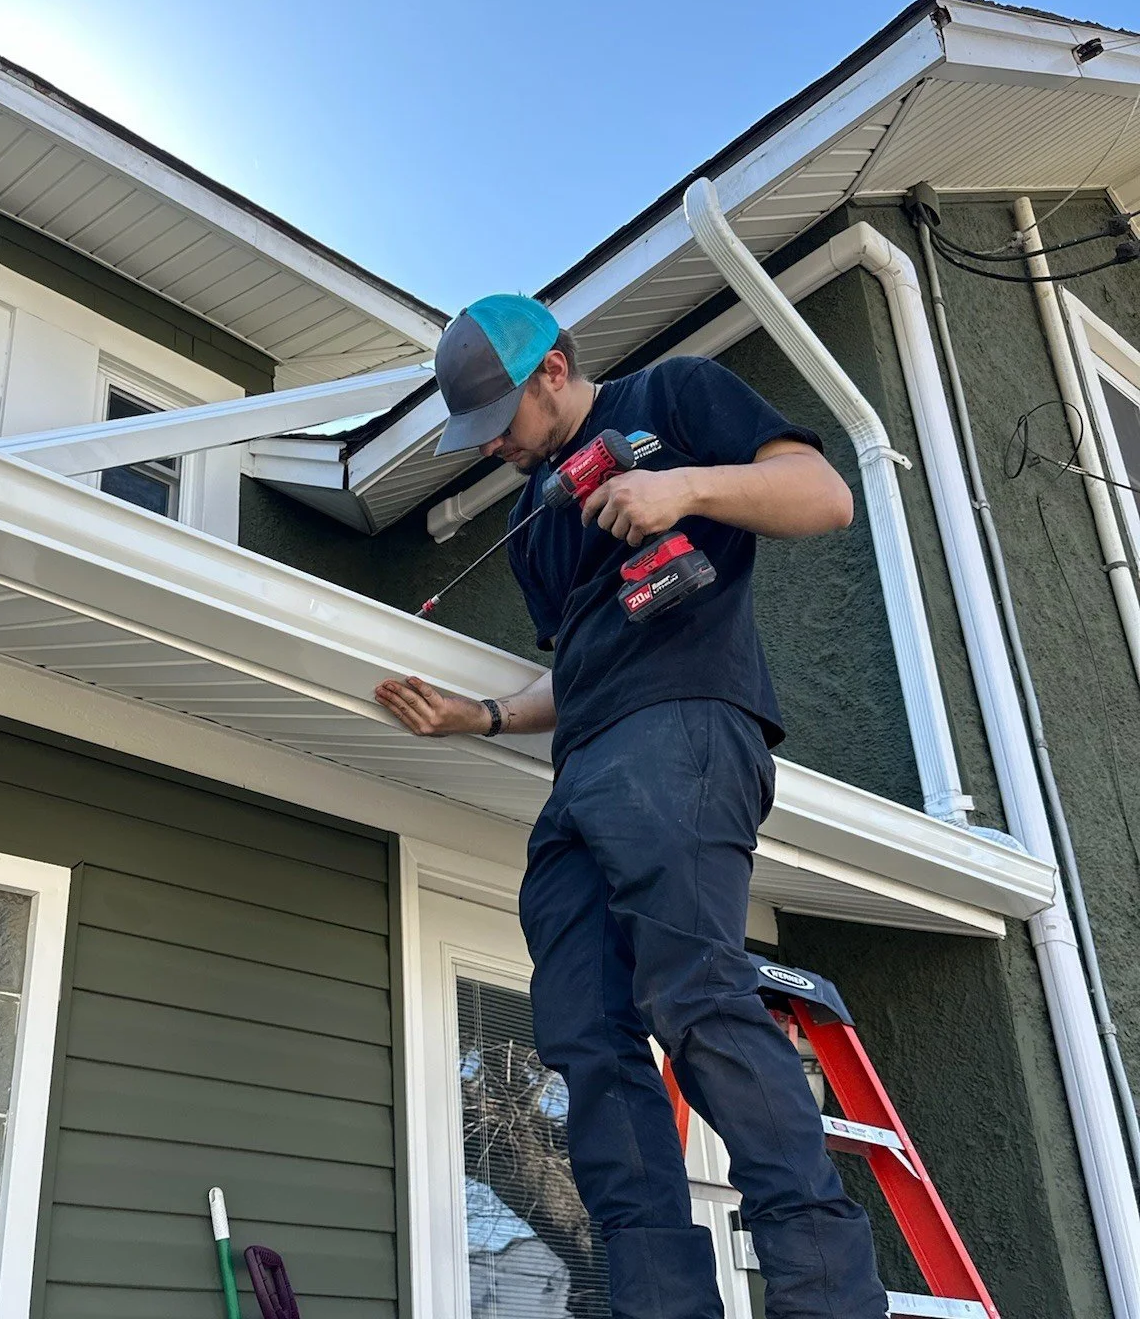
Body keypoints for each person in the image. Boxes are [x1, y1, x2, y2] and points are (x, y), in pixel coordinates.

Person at [375, 294, 887, 1319]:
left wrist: (682, 487)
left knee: (693, 996)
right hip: (584, 768)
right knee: (583, 1037)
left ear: (554, 369)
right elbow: (576, 665)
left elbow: (823, 495)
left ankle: (825, 1295)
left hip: (688, 727)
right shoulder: (533, 523)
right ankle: (658, 1302)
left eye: (503, 423)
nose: (497, 450)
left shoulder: (677, 393)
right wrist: (476, 715)